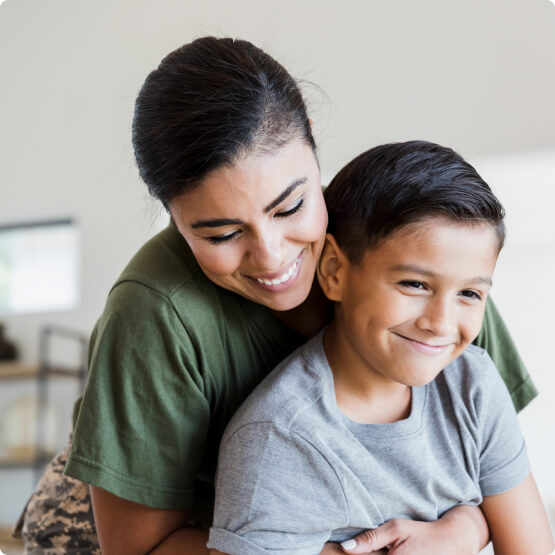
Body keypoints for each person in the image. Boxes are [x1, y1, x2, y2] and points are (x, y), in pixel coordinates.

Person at [17, 38, 536, 555]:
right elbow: (140, 549)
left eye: (290, 207)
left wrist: (461, 530)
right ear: (174, 219)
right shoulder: (157, 311)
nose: (270, 257)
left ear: (313, 149)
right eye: (221, 234)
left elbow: (492, 467)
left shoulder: (416, 262)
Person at [207, 141, 554, 555]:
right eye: (415, 284)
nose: (440, 323)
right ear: (334, 271)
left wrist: (468, 528)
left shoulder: (473, 386)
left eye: (469, 293)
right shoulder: (278, 439)